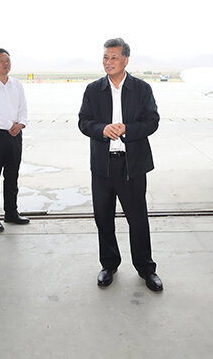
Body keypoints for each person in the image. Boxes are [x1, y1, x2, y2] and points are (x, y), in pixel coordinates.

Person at [78, 38, 163, 292]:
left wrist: (128, 129)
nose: (108, 62)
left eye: (114, 57)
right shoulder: (93, 90)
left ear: (126, 59)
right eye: (105, 57)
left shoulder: (141, 89)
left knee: (138, 219)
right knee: (103, 218)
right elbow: (83, 122)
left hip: (132, 165)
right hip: (102, 166)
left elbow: (152, 121)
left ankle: (146, 268)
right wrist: (102, 129)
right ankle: (109, 264)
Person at [0, 48, 30, 227]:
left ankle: (11, 212)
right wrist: (9, 125)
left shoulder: (16, 84)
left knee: (12, 175)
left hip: (15, 135)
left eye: (8, 61)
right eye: (1, 61)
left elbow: (23, 107)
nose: (6, 64)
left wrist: (20, 124)